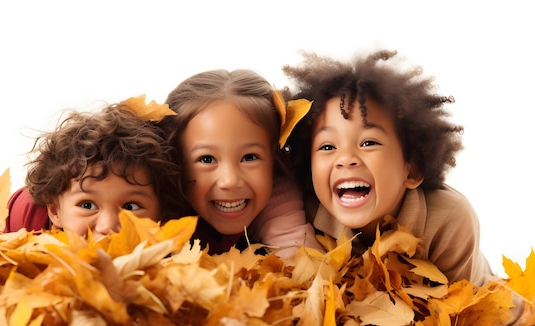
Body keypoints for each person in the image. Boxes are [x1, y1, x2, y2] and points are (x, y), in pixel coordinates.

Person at [282, 49, 493, 286]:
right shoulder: (304, 212)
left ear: (411, 170)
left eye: (368, 143)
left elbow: (464, 310)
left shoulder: (449, 219)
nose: (346, 158)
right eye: (328, 147)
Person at [161, 69, 324, 260]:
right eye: (207, 159)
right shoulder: (156, 199)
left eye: (249, 158)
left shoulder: (277, 194)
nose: (230, 181)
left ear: (274, 161)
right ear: (176, 160)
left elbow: (303, 262)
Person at [5, 97, 183, 239]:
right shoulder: (24, 220)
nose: (108, 227)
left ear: (162, 217)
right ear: (55, 211)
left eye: (130, 207)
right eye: (87, 205)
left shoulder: (185, 261)